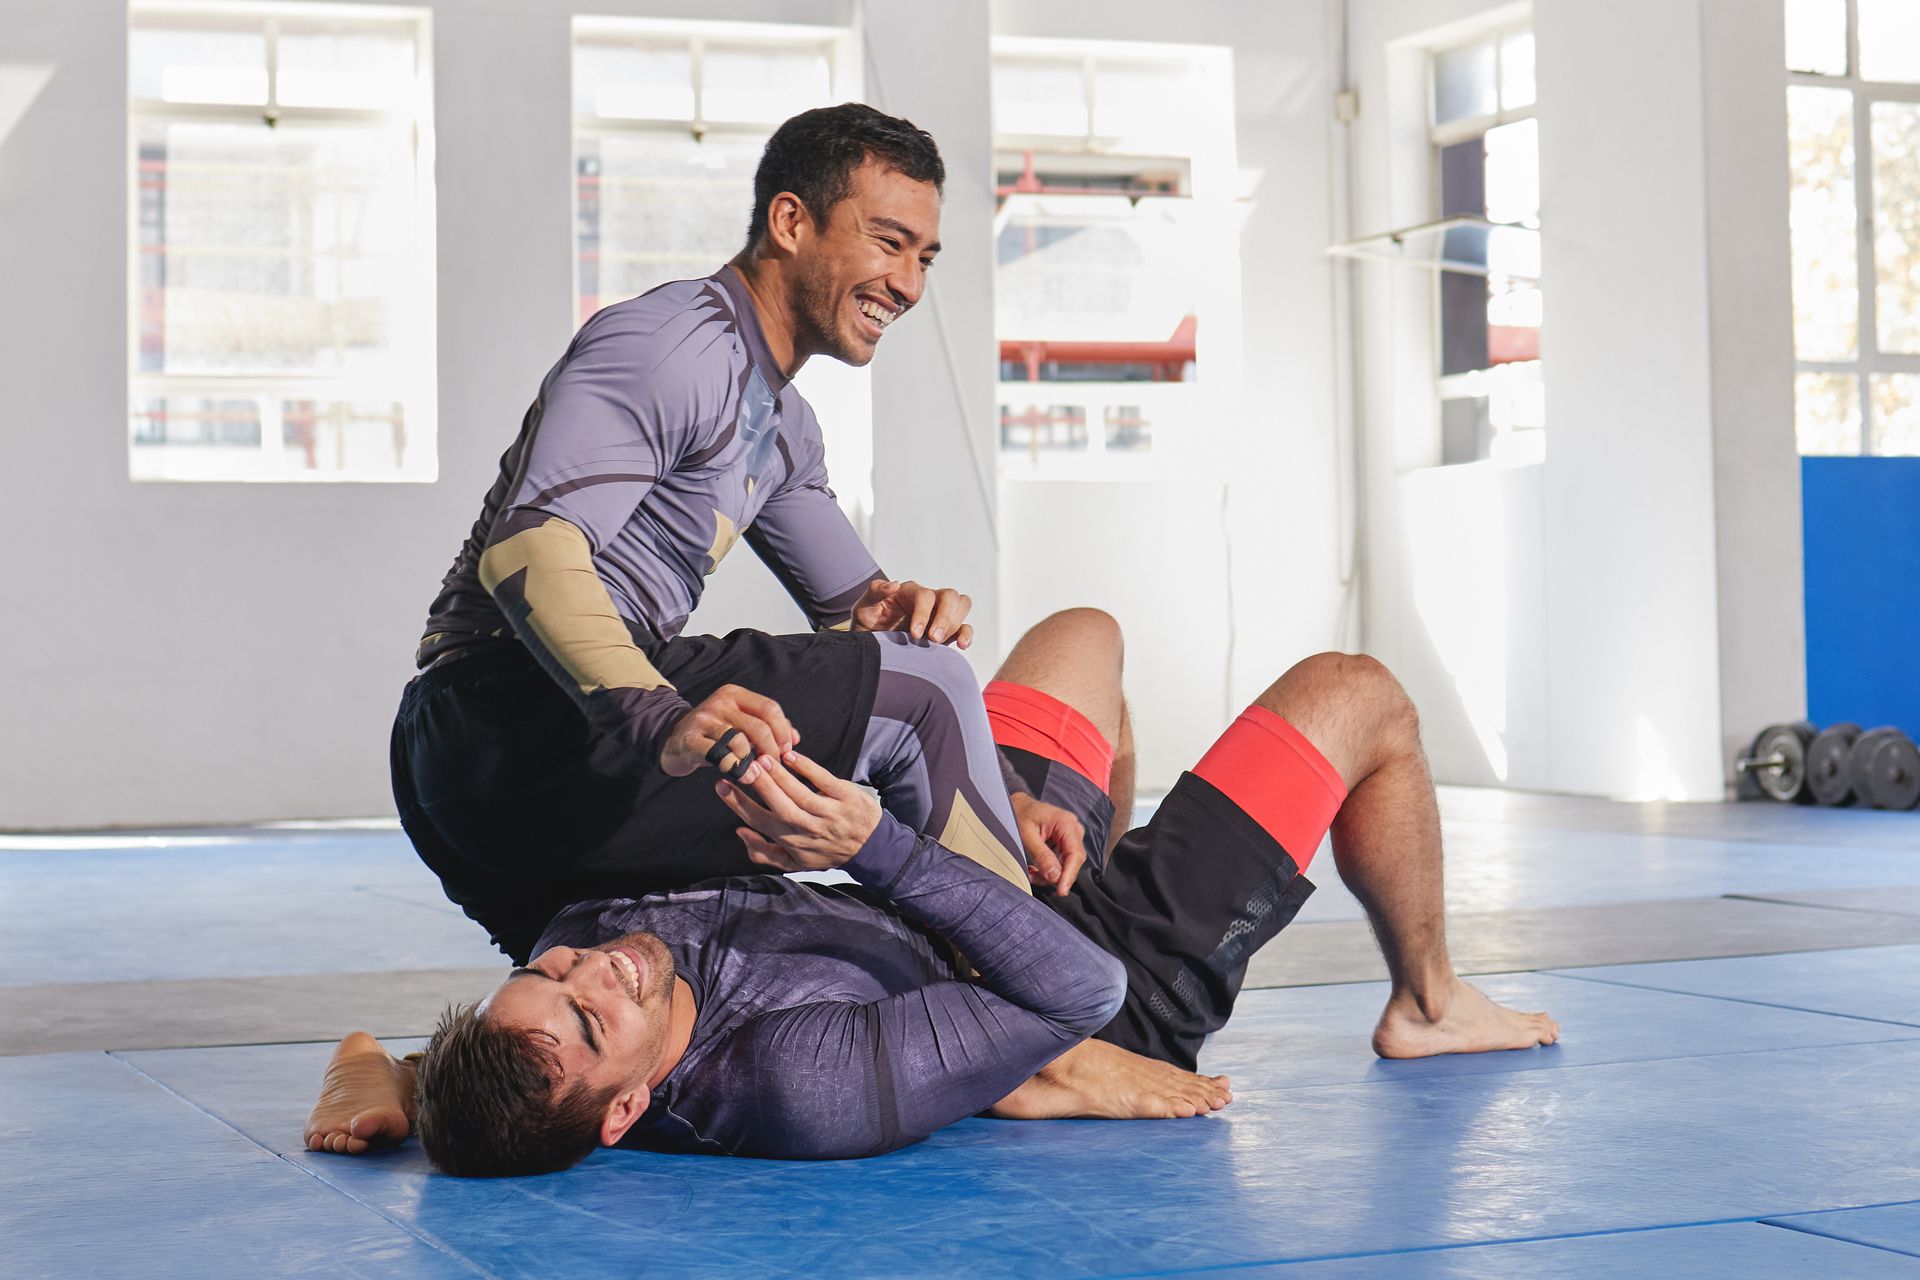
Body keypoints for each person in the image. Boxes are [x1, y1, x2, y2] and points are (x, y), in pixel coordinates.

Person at [309, 611, 1560, 1172]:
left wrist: (386, 1068)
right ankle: (1431, 1000)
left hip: (971, 877)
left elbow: (522, 1061)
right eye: (589, 1012)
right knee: (1360, 692)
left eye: (550, 972)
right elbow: (1079, 980)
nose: (596, 965)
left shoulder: (574, 977)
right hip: (1083, 997)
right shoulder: (797, 1081)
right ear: (632, 1106)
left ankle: (1087, 840)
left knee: (1086, 637)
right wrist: (881, 846)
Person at [395, 103, 1090, 965]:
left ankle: (390, 1077)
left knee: (613, 1019)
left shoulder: (784, 427)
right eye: (886, 241)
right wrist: (661, 718)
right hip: (512, 720)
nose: (908, 283)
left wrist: (1004, 792)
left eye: (924, 256)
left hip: (495, 775)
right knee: (930, 684)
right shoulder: (674, 343)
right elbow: (527, 552)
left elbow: (861, 622)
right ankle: (1043, 1008)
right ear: (791, 221)